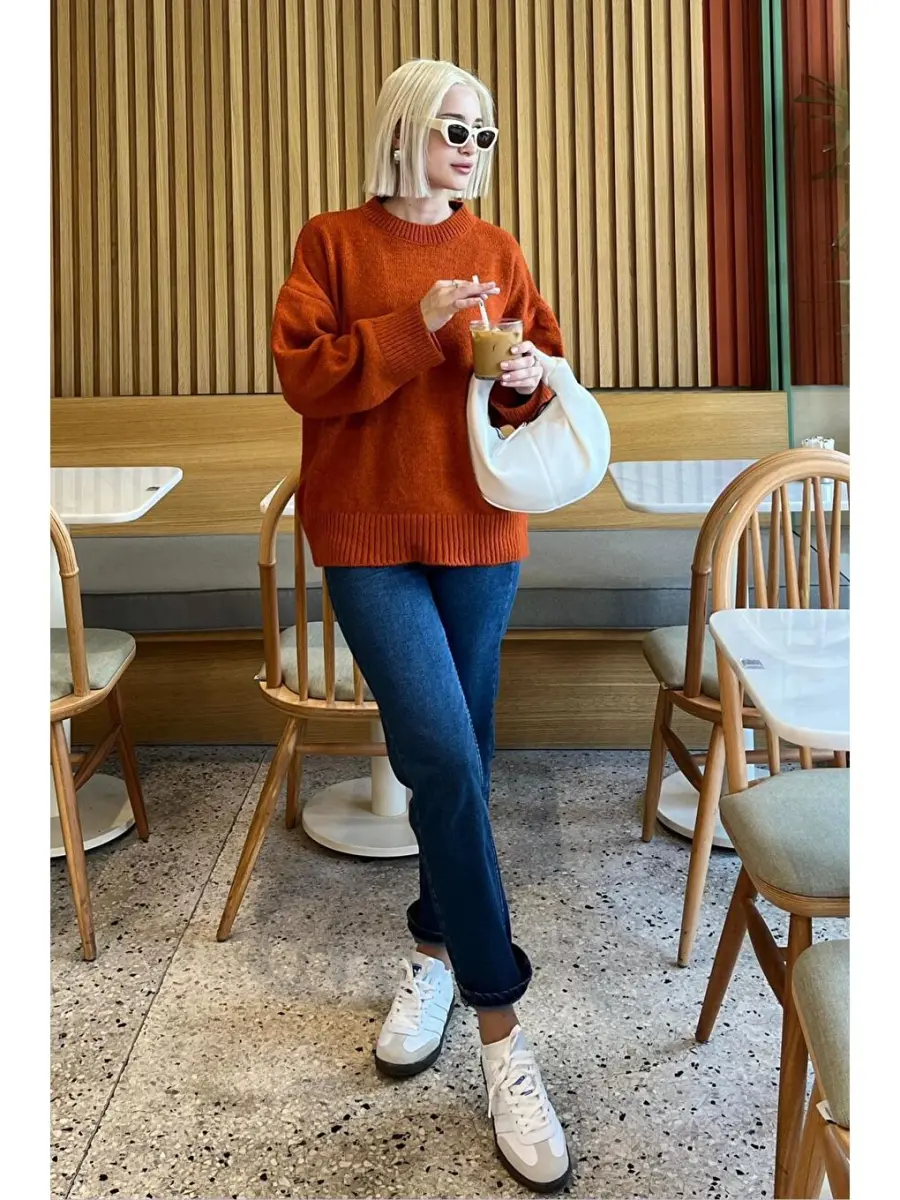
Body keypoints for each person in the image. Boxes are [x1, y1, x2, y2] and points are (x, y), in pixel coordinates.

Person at [271, 57, 570, 1192]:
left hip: (481, 535)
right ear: (403, 128)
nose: (474, 150)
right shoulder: (332, 244)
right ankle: (503, 1033)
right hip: (365, 538)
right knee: (442, 756)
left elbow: (530, 391)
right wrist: (417, 322)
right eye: (456, 129)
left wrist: (526, 373)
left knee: (463, 758)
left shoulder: (498, 248)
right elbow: (306, 379)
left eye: (486, 134)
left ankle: (435, 955)